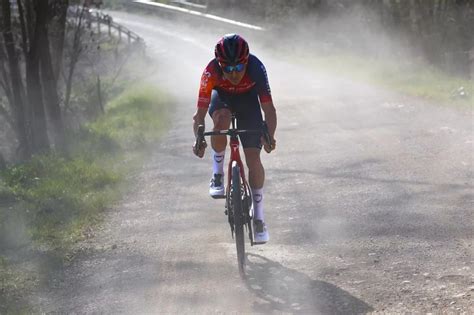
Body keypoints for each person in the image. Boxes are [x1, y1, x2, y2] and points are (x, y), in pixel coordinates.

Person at [192, 34, 277, 244]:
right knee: (221, 121)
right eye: (227, 68)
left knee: (253, 159)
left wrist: (270, 136)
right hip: (222, 98)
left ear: (246, 62)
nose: (234, 74)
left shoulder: (256, 68)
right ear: (219, 65)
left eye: (238, 68)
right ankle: (217, 174)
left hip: (249, 102)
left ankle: (258, 218)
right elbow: (200, 115)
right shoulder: (211, 71)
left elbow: (269, 109)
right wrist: (198, 138)